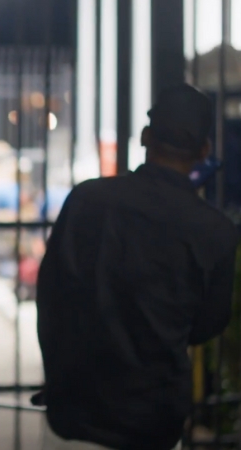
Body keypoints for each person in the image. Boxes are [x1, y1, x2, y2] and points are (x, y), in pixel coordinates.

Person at [36, 84, 239, 450]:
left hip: (74, 412)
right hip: (152, 420)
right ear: (204, 150)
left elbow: (51, 293)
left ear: (146, 136)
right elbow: (208, 325)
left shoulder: (86, 199)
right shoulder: (215, 231)